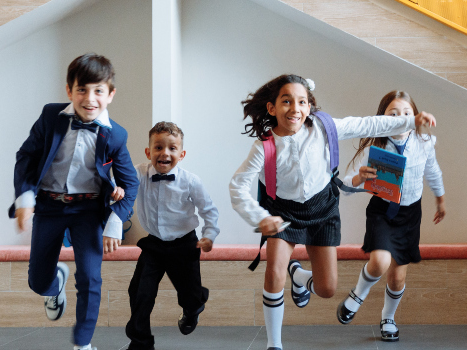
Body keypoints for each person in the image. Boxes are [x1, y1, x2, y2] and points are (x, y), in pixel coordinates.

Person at [229, 74, 436, 350]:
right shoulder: (264, 146)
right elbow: (238, 186)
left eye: (302, 101)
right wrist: (260, 218)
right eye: (286, 101)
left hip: (322, 208)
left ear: (309, 106)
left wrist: (412, 121)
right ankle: (274, 344)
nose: (295, 108)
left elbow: (370, 123)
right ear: (271, 108)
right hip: (282, 213)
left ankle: (300, 276)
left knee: (326, 289)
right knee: (274, 273)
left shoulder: (325, 128)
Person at [10, 53, 138, 350]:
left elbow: (130, 182)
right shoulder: (50, 116)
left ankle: (83, 344)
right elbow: (26, 157)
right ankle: (54, 283)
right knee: (37, 282)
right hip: (49, 206)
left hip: (89, 210)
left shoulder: (116, 135)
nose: (89, 98)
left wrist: (116, 221)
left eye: (98, 91)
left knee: (91, 279)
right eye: (82, 89)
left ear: (110, 95)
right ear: (69, 90)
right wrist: (25, 198)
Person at [335, 91, 446, 342]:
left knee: (397, 278)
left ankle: (388, 317)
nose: (400, 119)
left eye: (406, 114)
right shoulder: (377, 147)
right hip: (382, 212)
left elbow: (433, 171)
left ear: (416, 117)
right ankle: (357, 296)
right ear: (382, 118)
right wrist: (359, 178)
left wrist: (440, 200)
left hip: (409, 214)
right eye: (392, 114)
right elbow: (348, 186)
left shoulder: (425, 142)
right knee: (380, 263)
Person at [124, 122, 219, 350]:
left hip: (185, 245)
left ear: (181, 154)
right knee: (139, 293)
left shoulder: (191, 181)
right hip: (154, 245)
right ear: (148, 152)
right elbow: (121, 181)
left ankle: (194, 306)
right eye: (158, 147)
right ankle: (140, 343)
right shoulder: (138, 174)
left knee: (190, 296)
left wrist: (209, 235)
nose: (164, 153)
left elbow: (209, 210)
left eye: (172, 148)